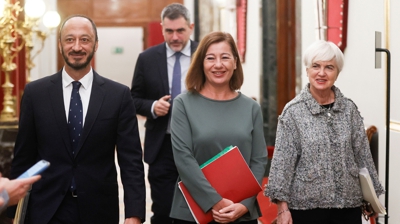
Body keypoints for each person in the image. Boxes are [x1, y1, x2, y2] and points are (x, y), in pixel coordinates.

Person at [6, 15, 145, 224]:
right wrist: (11, 212)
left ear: (96, 45)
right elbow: (24, 156)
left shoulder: (118, 96)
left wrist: (134, 215)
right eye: (70, 39)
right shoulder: (36, 93)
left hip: (99, 210)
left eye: (85, 39)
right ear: (60, 44)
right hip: (46, 210)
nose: (77, 47)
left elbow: (131, 162)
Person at [264, 40, 384, 224]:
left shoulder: (349, 109)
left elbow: (363, 156)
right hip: (306, 210)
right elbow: (282, 165)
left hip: (348, 207)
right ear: (307, 70)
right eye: (316, 66)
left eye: (329, 67)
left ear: (337, 72)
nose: (321, 73)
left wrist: (373, 200)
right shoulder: (293, 112)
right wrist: (282, 209)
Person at [169, 31, 268, 224]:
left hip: (240, 212)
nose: (218, 65)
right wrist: (215, 202)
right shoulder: (183, 104)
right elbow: (183, 159)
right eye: (210, 58)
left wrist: (245, 204)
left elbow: (258, 160)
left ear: (235, 62)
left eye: (225, 57)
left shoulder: (251, 108)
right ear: (201, 63)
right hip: (193, 213)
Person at [130, 3, 198, 224]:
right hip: (162, 145)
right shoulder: (147, 59)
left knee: (197, 207)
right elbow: (133, 99)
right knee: (163, 209)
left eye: (180, 30)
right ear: (162, 29)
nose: (175, 37)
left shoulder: (205, 55)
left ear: (191, 27)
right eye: (169, 31)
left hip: (199, 143)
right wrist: (152, 107)